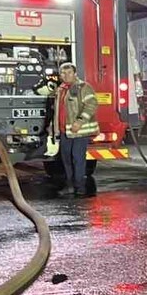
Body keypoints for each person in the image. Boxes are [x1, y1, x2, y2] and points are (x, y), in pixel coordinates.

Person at [52, 62, 100, 197]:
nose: (66, 76)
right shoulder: (61, 89)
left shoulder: (83, 87)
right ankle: (70, 186)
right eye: (63, 73)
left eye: (69, 73)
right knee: (66, 159)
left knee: (77, 159)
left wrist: (79, 122)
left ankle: (79, 188)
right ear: (60, 75)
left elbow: (92, 104)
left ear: (75, 74)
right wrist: (52, 127)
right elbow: (57, 111)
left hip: (79, 131)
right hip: (64, 131)